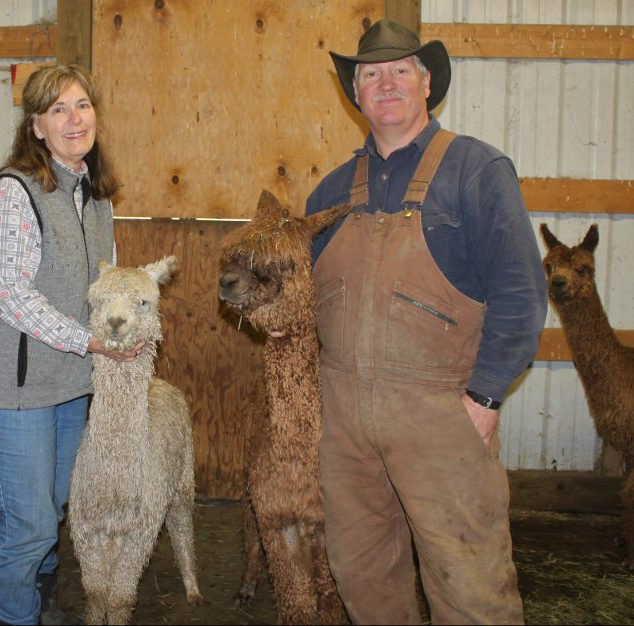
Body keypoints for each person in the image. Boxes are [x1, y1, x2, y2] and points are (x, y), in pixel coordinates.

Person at [306, 19, 548, 625]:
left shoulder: (476, 170)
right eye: (371, 74)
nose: (386, 83)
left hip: (442, 419)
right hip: (346, 429)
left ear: (427, 83)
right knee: (363, 577)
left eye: (400, 70)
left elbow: (521, 293)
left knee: (469, 586)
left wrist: (484, 398)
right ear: (355, 91)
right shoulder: (330, 193)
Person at [0, 64, 142, 626]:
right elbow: (10, 296)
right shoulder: (14, 193)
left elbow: (103, 283)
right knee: (28, 526)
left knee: (56, 507)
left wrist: (126, 326)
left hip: (70, 384)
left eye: (82, 105)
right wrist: (89, 341)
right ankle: (12, 615)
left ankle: (37, 606)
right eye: (58, 109)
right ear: (36, 126)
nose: (74, 119)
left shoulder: (95, 198)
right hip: (14, 391)